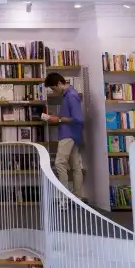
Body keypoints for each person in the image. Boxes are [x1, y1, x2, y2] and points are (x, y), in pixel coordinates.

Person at [44, 72, 85, 200]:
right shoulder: (69, 95)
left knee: (60, 163)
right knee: (76, 167)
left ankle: (64, 197)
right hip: (74, 134)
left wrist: (58, 120)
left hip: (68, 134)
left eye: (53, 88)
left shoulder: (71, 96)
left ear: (59, 84)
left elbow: (77, 119)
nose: (54, 91)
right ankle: (77, 198)